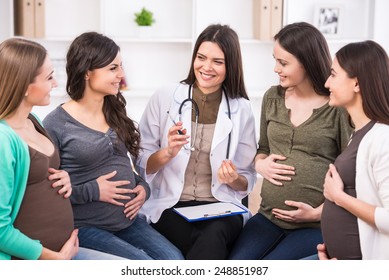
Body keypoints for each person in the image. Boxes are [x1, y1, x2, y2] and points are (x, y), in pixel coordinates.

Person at [43, 32, 183, 260]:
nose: (121, 75)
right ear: (87, 71)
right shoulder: (56, 124)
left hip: (127, 221)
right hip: (87, 225)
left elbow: (124, 164)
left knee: (174, 260)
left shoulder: (114, 111)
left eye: (121, 66)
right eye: (113, 68)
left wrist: (142, 188)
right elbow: (48, 192)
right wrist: (93, 190)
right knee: (143, 265)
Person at [229, 22, 352, 260]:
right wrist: (260, 164)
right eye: (275, 60)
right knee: (236, 265)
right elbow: (262, 148)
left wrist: (319, 213)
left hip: (315, 225)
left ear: (306, 61)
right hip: (267, 217)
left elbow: (349, 173)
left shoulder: (336, 106)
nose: (276, 68)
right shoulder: (272, 97)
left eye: (283, 63)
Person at [136, 24, 257, 260]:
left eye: (217, 61)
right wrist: (168, 152)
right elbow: (141, 162)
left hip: (221, 206)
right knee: (203, 242)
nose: (206, 67)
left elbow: (247, 180)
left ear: (230, 65)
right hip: (171, 204)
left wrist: (234, 179)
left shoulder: (241, 109)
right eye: (201, 57)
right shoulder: (165, 97)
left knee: (212, 234)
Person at [0, 37, 122, 260]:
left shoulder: (33, 121)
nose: (56, 84)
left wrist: (63, 177)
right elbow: (0, 231)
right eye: (49, 77)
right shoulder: (3, 140)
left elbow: (38, 176)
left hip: (66, 249)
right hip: (39, 259)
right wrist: (53, 259)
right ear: (24, 86)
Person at [317, 40, 389, 260]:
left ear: (356, 83)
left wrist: (338, 197)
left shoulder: (382, 138)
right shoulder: (359, 134)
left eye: (333, 74)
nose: (327, 83)